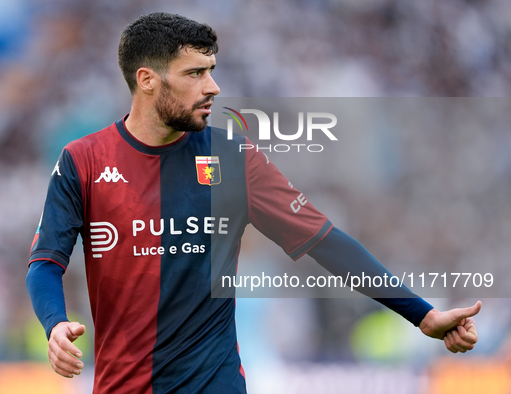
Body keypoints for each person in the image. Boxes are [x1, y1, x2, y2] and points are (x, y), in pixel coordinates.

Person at [26, 12, 481, 394]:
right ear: (147, 80)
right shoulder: (82, 162)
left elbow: (328, 244)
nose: (213, 87)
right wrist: (55, 323)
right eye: (195, 73)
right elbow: (45, 262)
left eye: (211, 70)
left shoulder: (233, 158)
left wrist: (421, 313)